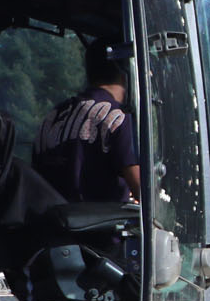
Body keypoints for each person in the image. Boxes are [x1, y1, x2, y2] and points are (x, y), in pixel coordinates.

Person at [31, 46, 141, 205]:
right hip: (102, 227)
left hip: (48, 226)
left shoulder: (52, 117)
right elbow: (143, 191)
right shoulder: (118, 116)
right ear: (127, 74)